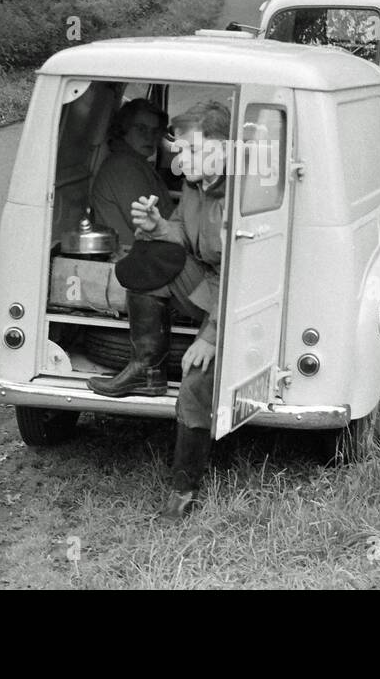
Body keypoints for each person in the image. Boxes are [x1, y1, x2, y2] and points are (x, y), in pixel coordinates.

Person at [85, 99, 230, 522]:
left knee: (195, 381)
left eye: (188, 150)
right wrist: (157, 227)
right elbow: (184, 233)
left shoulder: (244, 197)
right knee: (149, 255)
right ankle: (146, 368)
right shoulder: (194, 187)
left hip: (236, 303)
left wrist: (210, 335)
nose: (178, 160)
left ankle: (182, 493)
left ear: (222, 149)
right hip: (204, 284)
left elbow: (251, 275)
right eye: (178, 150)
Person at [88, 98, 170, 253]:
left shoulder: (135, 161)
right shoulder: (124, 167)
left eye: (155, 131)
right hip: (136, 258)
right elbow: (145, 225)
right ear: (123, 130)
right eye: (141, 129)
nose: (149, 137)